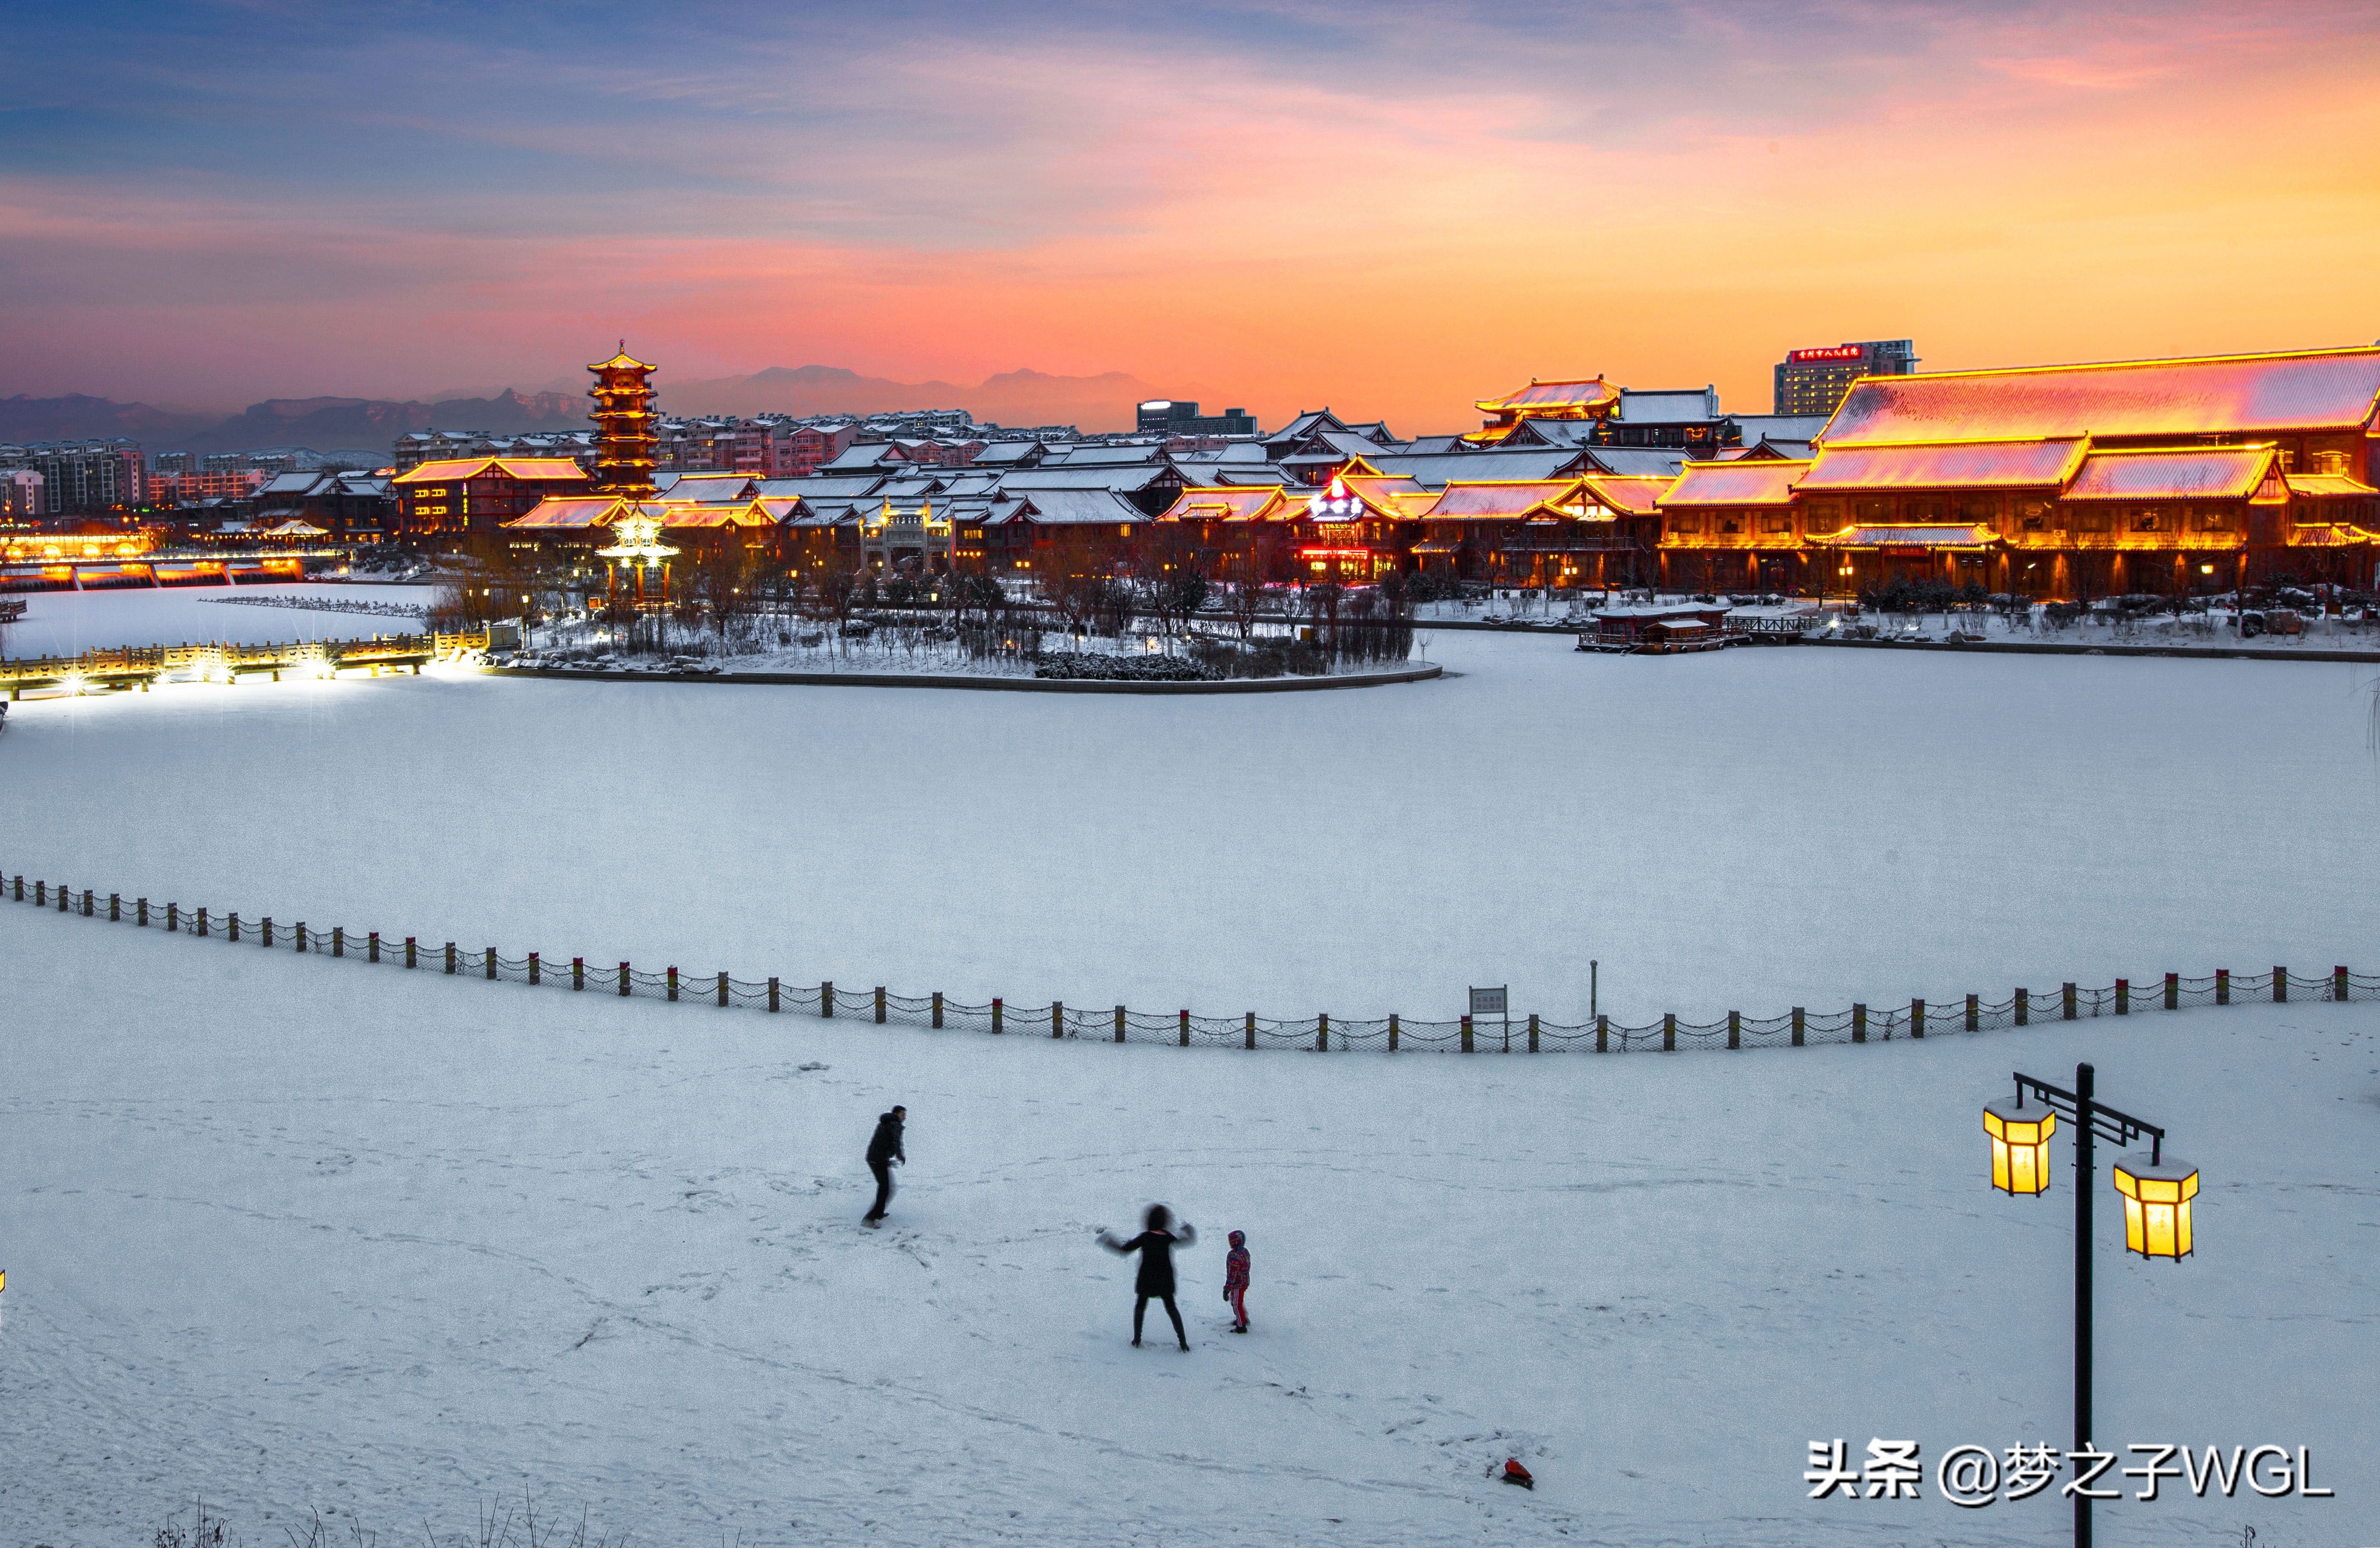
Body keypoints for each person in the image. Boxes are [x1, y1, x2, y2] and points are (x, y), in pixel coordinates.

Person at [1100, 1205, 1196, 1350]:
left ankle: (1137, 1339)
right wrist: (1189, 1229)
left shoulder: (1145, 1237)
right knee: (1171, 1308)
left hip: (1147, 1280)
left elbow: (1125, 1250)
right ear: (1165, 1222)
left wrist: (1109, 1242)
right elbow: (1188, 1240)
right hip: (1165, 1280)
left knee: (1140, 1306)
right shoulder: (1168, 1238)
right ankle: (1183, 1343)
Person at [863, 1105, 905, 1225]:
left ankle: (878, 1213)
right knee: (886, 1189)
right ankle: (871, 1218)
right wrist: (900, 1156)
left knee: (886, 1188)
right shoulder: (894, 1125)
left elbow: (883, 1142)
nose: (905, 1118)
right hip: (878, 1159)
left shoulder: (886, 1123)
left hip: (875, 1158)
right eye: (903, 1115)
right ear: (897, 1115)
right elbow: (896, 1142)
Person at [1223, 1229, 1250, 1333]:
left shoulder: (1235, 1256)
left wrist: (1227, 1287)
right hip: (1243, 1282)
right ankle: (1242, 1318)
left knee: (1236, 1303)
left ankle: (1241, 1326)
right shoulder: (1245, 1252)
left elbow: (1232, 1274)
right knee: (1236, 1300)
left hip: (1238, 1284)